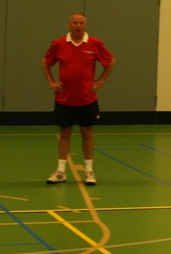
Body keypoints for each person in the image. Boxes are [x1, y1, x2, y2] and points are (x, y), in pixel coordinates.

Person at [41, 12, 115, 186]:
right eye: (75, 23)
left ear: (85, 25)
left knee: (87, 133)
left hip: (87, 99)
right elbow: (45, 62)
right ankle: (60, 171)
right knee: (65, 133)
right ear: (69, 25)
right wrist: (51, 81)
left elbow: (110, 61)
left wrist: (100, 80)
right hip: (64, 99)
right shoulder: (59, 44)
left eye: (81, 23)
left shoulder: (94, 43)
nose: (78, 26)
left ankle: (89, 171)